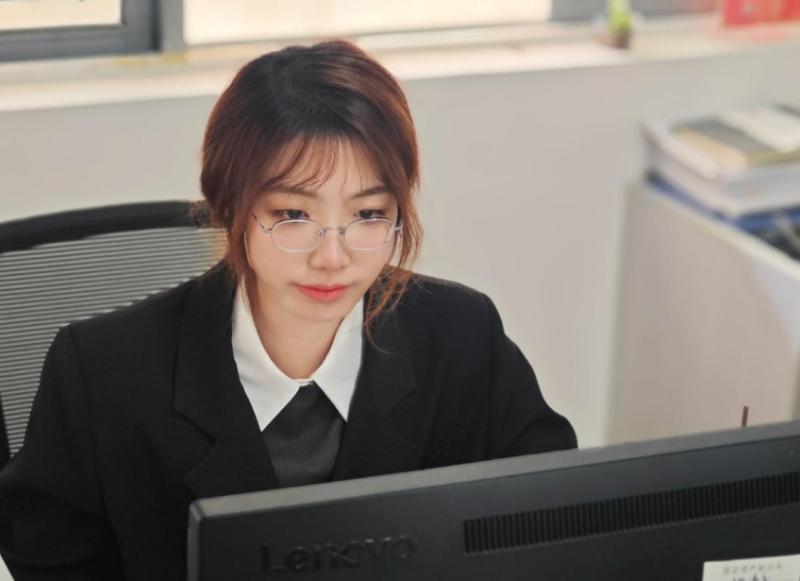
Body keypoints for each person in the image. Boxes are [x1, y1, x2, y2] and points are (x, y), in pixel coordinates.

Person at [0, 40, 576, 580]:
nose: (333, 257)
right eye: (293, 216)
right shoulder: (101, 372)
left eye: (369, 214)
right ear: (232, 206)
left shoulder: (461, 335)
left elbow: (550, 523)